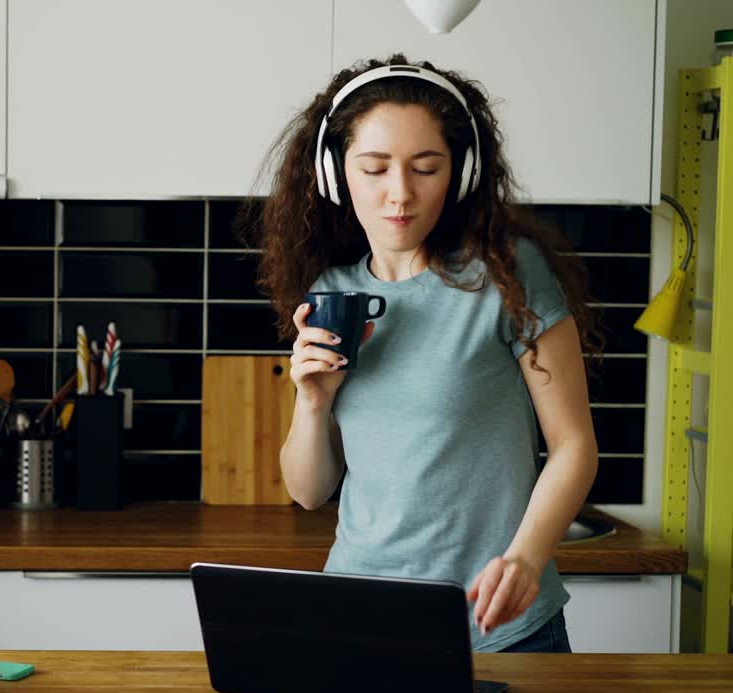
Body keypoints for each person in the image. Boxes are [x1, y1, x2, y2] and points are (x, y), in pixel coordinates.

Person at [253, 55, 603, 652]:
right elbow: (309, 492)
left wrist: (524, 559)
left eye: (426, 168)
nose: (400, 194)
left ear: (460, 174)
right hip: (358, 622)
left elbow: (574, 446)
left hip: (500, 628)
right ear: (336, 177)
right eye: (374, 168)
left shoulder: (507, 277)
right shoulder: (331, 295)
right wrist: (311, 404)